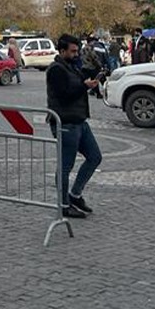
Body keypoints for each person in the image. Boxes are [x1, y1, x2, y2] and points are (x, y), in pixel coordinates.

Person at [46, 34, 102, 220]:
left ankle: (75, 195)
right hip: (65, 123)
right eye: (73, 51)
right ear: (62, 51)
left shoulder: (72, 66)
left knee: (95, 157)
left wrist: (90, 82)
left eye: (77, 50)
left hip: (79, 120)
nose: (76, 54)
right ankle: (64, 205)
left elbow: (79, 84)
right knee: (65, 166)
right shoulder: (56, 70)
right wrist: (83, 86)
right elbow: (64, 95)